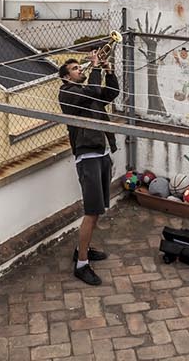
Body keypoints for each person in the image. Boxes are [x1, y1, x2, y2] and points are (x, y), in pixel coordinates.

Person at [59, 51, 119, 286]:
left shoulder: (86, 93)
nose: (79, 69)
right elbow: (93, 90)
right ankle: (81, 264)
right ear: (66, 77)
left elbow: (111, 93)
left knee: (97, 210)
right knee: (91, 211)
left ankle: (81, 249)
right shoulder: (68, 93)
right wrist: (95, 67)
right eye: (75, 69)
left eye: (79, 67)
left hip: (101, 153)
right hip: (87, 156)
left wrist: (108, 71)